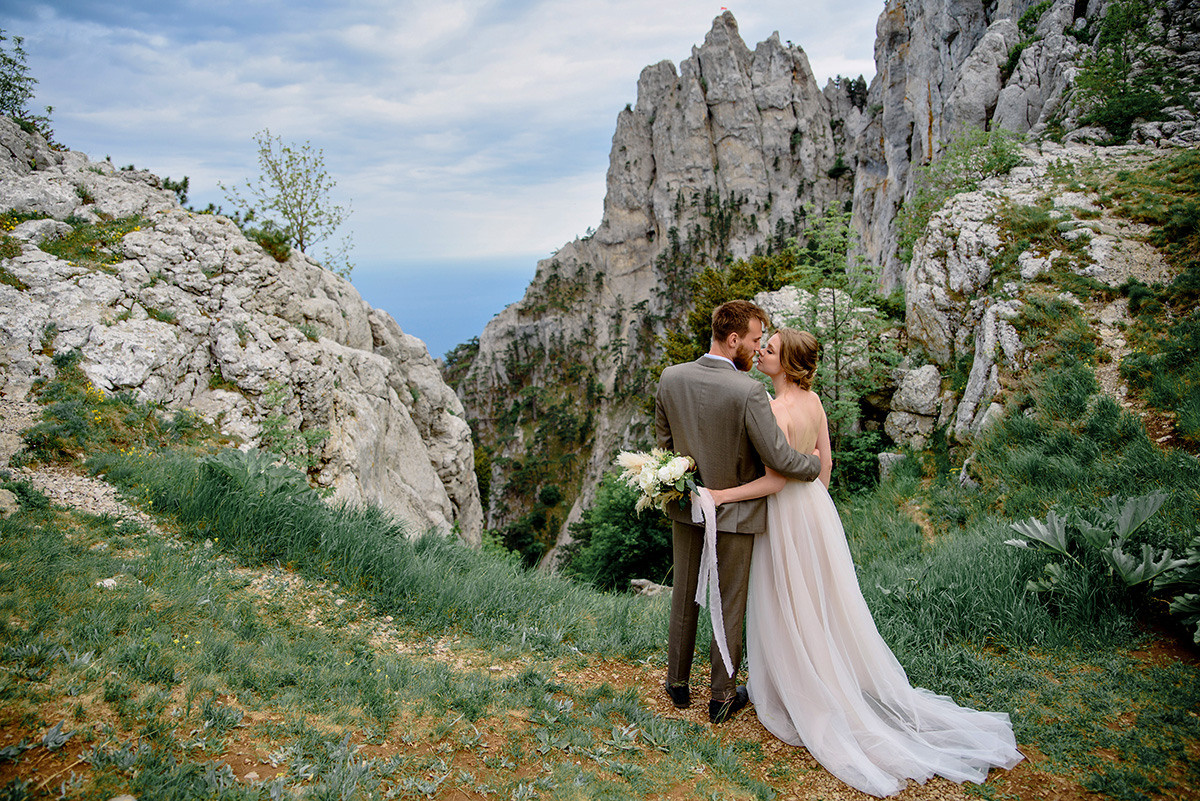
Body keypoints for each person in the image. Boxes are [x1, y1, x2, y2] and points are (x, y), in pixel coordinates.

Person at [708, 328, 1024, 797]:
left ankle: (797, 686)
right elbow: (826, 464)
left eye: (769, 349)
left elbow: (774, 482)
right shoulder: (815, 403)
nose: (761, 352)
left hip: (787, 514)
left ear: (787, 363)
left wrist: (722, 495)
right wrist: (817, 511)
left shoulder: (774, 409)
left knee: (785, 599)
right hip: (816, 510)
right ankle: (814, 672)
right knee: (816, 600)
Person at [654, 300, 822, 725]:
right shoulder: (748, 391)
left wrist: (685, 484)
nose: (756, 348)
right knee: (727, 603)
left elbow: (663, 446)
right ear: (733, 340)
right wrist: (815, 464)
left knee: (684, 596)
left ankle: (677, 683)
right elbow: (780, 457)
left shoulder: (671, 378)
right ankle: (722, 696)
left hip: (687, 505)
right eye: (752, 340)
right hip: (736, 512)